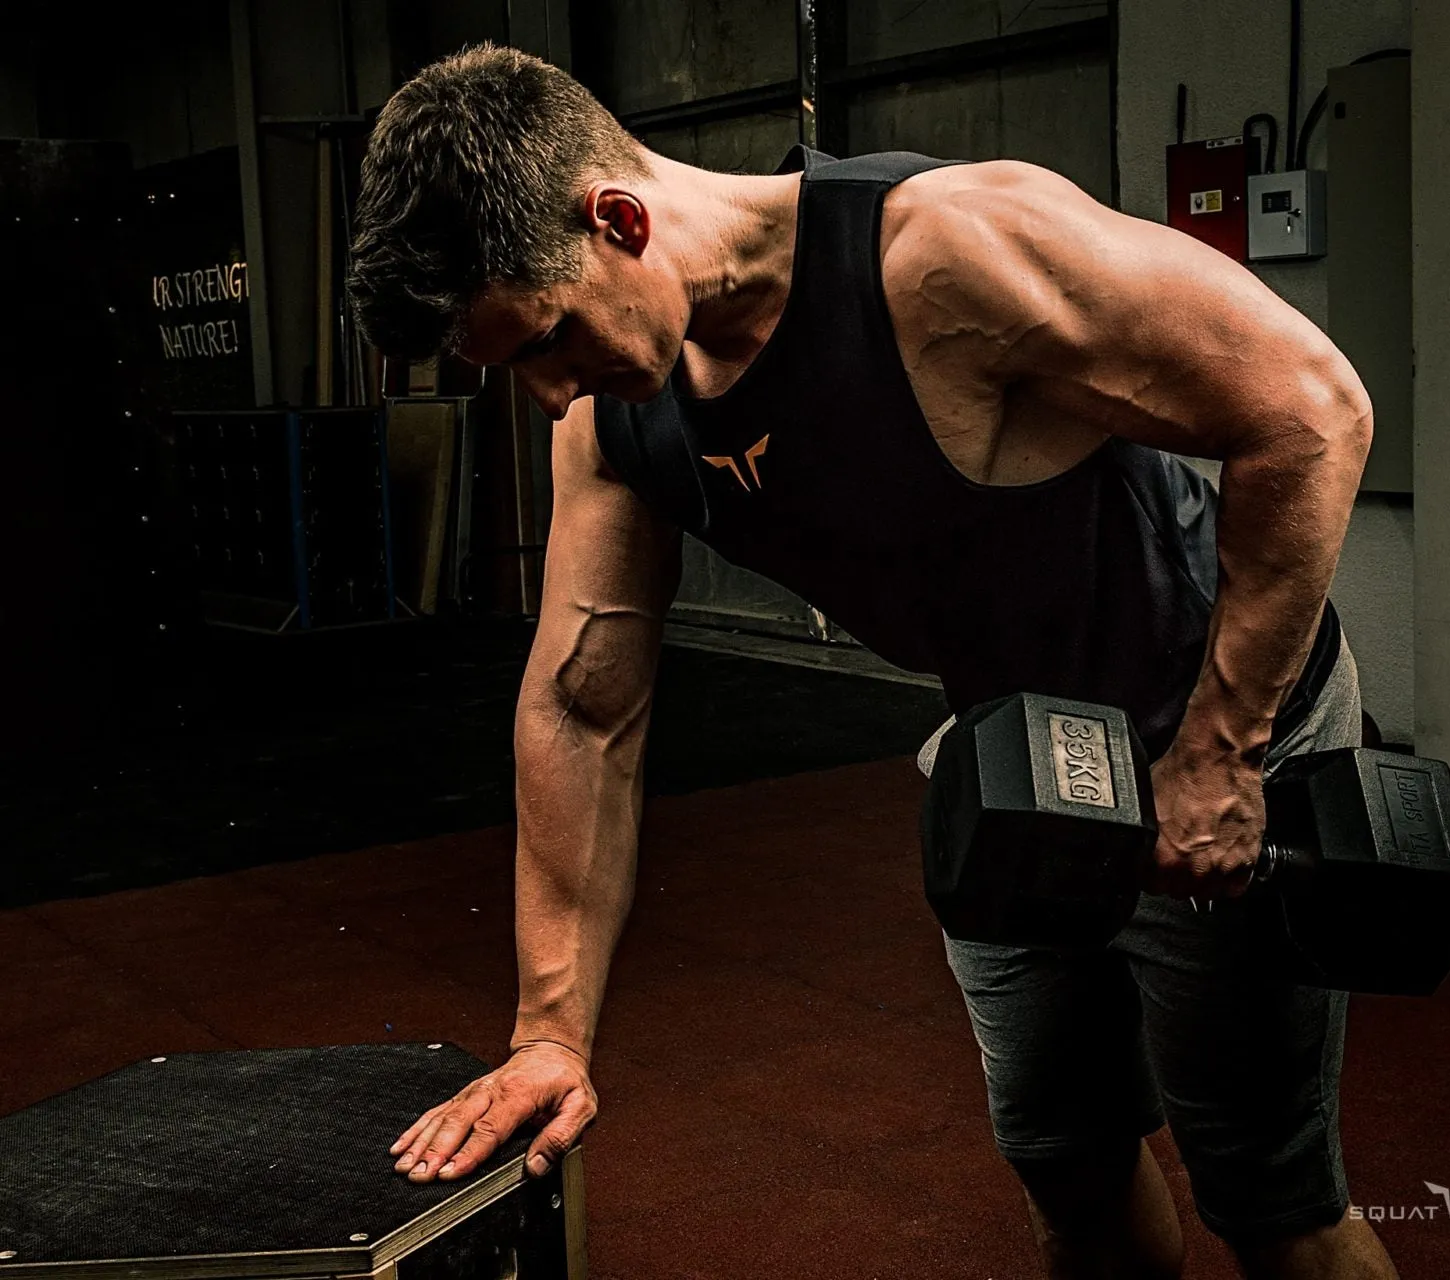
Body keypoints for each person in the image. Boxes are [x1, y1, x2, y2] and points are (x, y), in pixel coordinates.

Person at [349, 42, 1395, 1280]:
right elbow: (585, 707)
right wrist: (549, 1033)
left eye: (545, 342)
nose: (550, 395)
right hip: (1022, 766)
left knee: (1267, 1201)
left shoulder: (942, 253)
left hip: (1207, 713)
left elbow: (1309, 406)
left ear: (619, 219)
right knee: (1067, 1166)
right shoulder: (614, 421)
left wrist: (1222, 747)